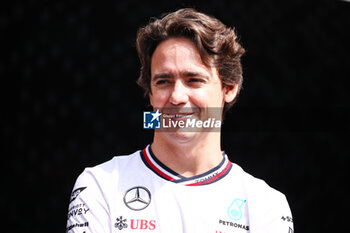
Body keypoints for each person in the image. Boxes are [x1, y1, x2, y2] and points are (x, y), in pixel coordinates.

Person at [66, 8, 294, 233]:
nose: (176, 97)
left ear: (230, 88)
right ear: (151, 93)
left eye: (194, 80)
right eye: (163, 82)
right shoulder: (100, 186)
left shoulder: (266, 205)